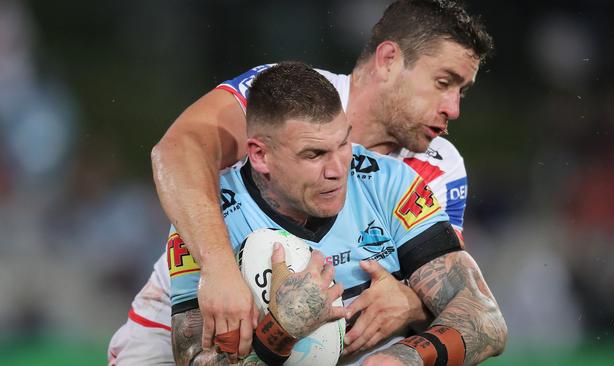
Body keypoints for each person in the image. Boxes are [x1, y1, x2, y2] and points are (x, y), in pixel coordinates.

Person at [108, 0, 498, 364]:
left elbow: (449, 294)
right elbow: (178, 150)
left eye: (462, 91)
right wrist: (220, 270)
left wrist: (412, 304)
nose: (454, 108)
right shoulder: (283, 95)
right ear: (390, 60)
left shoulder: (439, 166)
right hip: (182, 327)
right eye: (444, 82)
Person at [169, 62, 504, 366]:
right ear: (260, 155)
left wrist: (404, 358)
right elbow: (195, 360)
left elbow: (485, 318)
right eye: (314, 155)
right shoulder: (211, 223)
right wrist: (280, 331)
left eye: (343, 143)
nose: (337, 170)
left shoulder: (388, 183)